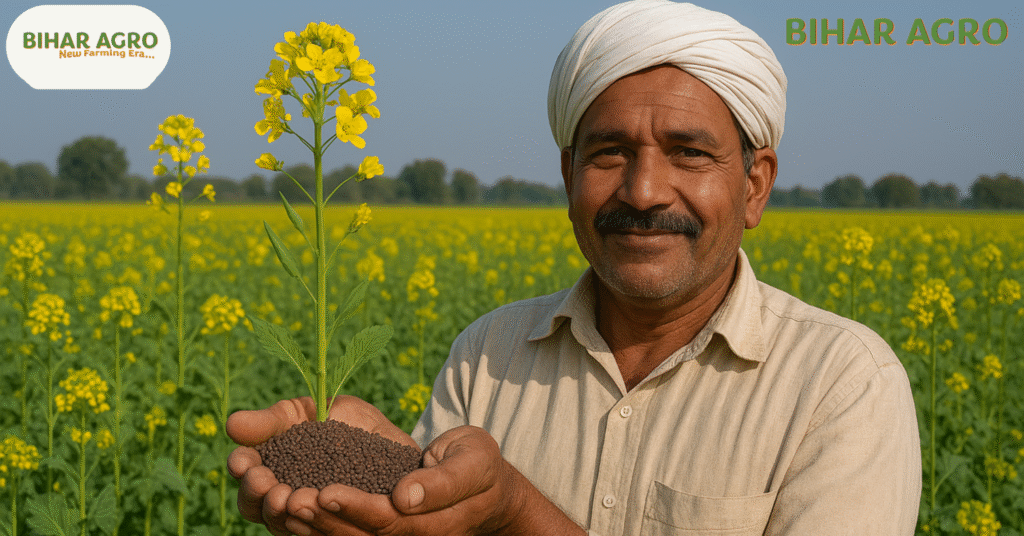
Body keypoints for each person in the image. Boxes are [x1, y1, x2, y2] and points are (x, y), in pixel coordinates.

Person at [227, 1, 923, 534]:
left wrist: (514, 516)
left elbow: (490, 517)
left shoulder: (843, 385)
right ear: (568, 177)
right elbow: (427, 513)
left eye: (689, 153)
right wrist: (379, 503)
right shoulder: (487, 353)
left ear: (755, 185)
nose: (644, 191)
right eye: (609, 152)